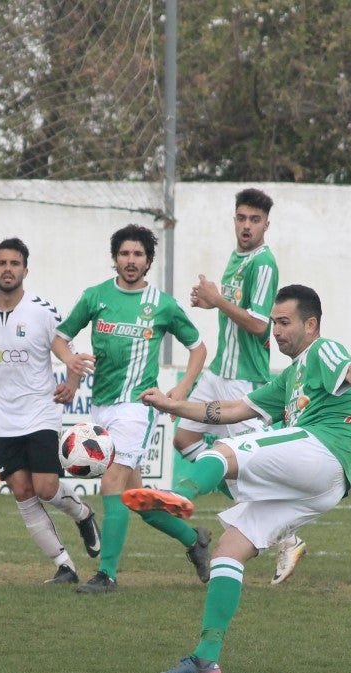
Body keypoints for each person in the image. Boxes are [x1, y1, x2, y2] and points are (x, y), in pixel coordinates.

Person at [122, 284, 351, 673]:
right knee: (228, 550)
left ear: (311, 324)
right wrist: (174, 405)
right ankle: (205, 660)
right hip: (324, 487)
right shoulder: (289, 377)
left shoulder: (322, 350)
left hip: (323, 450)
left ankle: (179, 494)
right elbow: (234, 409)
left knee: (225, 451)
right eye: (274, 323)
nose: (277, 331)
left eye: (284, 323)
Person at [145, 187, 306, 584]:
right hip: (218, 372)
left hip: (243, 380)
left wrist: (217, 300)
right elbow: (238, 313)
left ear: (266, 225)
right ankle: (248, 510)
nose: (247, 225)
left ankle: (287, 535)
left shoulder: (263, 263)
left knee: (250, 466)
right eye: (242, 218)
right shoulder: (238, 257)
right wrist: (212, 302)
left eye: (255, 220)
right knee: (185, 439)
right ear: (234, 220)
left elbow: (260, 325)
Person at [51, 224, 208, 593]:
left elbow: (198, 348)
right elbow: (60, 338)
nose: (131, 260)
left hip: (137, 407)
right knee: (136, 500)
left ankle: (107, 575)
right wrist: (71, 361)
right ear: (115, 258)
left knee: (111, 482)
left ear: (149, 260)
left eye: (138, 254)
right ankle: (194, 540)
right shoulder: (96, 296)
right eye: (124, 253)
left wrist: (181, 389)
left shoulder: (163, 304)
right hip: (101, 408)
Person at [0, 238, 101, 585]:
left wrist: (71, 383)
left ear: (25, 270)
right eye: (2, 263)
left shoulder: (43, 311)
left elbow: (69, 352)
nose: (8, 269)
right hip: (1, 418)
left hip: (40, 411)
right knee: (22, 491)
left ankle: (83, 514)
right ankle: (64, 566)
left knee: (45, 486)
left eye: (15, 263)